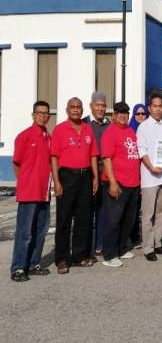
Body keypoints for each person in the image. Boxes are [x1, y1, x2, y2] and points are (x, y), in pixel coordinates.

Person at [50, 97, 99, 274]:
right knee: (64, 219)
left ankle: (80, 255)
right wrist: (56, 181)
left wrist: (95, 177)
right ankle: (62, 259)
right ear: (67, 109)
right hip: (67, 177)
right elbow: (54, 157)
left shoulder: (87, 129)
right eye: (73, 107)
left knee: (83, 218)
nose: (76, 110)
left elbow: (93, 155)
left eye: (78, 107)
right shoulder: (59, 130)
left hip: (85, 176)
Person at [10, 101, 52, 282]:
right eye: (39, 113)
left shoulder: (48, 137)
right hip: (29, 193)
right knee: (25, 232)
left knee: (41, 231)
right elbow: (16, 164)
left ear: (49, 116)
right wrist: (25, 183)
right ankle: (19, 267)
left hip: (44, 193)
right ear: (33, 115)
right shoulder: (24, 136)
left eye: (45, 113)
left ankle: (34, 263)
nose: (42, 116)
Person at [100, 102, 141, 267]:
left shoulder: (131, 131)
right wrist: (112, 182)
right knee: (113, 220)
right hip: (118, 183)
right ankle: (109, 255)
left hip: (133, 183)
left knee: (128, 220)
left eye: (126, 113)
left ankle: (121, 249)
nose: (123, 116)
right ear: (114, 115)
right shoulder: (110, 133)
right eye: (120, 113)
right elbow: (107, 159)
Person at [136, 92, 162, 262]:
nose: (158, 109)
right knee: (148, 214)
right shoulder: (143, 126)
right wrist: (151, 167)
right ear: (150, 108)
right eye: (155, 106)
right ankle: (148, 247)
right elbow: (141, 151)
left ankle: (158, 243)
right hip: (150, 177)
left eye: (160, 106)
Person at [82, 91, 110, 259]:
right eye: (97, 105)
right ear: (91, 105)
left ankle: (99, 245)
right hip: (88, 175)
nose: (100, 108)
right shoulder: (84, 123)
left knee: (102, 212)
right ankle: (86, 249)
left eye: (103, 105)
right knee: (86, 213)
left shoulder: (110, 124)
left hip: (106, 175)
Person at [127, 102, 148, 249]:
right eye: (138, 114)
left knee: (141, 207)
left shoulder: (148, 130)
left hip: (146, 174)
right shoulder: (129, 131)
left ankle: (137, 236)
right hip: (132, 175)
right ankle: (130, 237)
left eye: (143, 113)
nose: (140, 116)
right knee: (131, 209)